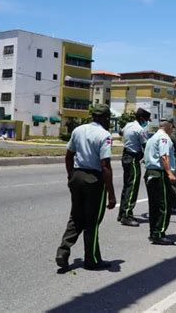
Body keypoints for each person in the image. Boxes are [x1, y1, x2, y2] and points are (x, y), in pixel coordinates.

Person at [55, 104, 116, 271]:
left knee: (76, 216)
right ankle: (92, 259)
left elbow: (69, 156)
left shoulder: (78, 130)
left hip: (77, 176)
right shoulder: (105, 135)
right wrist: (111, 194)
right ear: (105, 118)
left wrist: (70, 176)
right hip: (93, 179)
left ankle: (63, 250)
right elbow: (105, 166)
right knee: (92, 221)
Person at [143, 118, 176, 245]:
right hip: (160, 174)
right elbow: (164, 156)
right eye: (172, 127)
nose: (172, 129)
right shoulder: (164, 138)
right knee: (164, 205)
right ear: (168, 126)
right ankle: (159, 233)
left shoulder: (152, 138)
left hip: (150, 173)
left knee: (154, 206)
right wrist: (169, 173)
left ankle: (153, 232)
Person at [118, 107, 151, 226]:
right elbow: (146, 145)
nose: (147, 122)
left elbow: (120, 132)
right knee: (132, 187)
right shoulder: (139, 130)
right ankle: (127, 215)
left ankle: (122, 213)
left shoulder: (128, 125)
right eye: (146, 120)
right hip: (133, 158)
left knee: (127, 185)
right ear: (142, 118)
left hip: (125, 155)